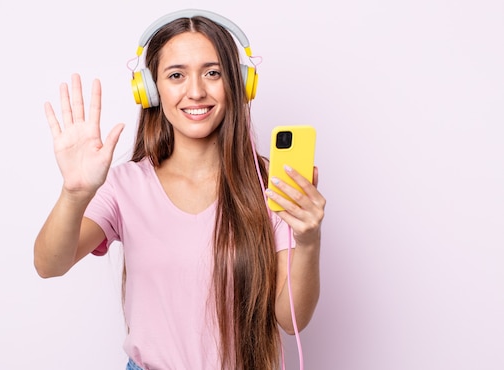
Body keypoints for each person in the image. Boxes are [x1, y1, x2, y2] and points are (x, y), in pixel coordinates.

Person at [34, 9, 325, 370]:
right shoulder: (125, 185)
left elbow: (289, 317)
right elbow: (49, 264)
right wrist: (74, 194)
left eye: (213, 73)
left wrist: (309, 240)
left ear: (239, 83)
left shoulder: (267, 184)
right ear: (151, 89)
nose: (197, 91)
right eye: (176, 75)